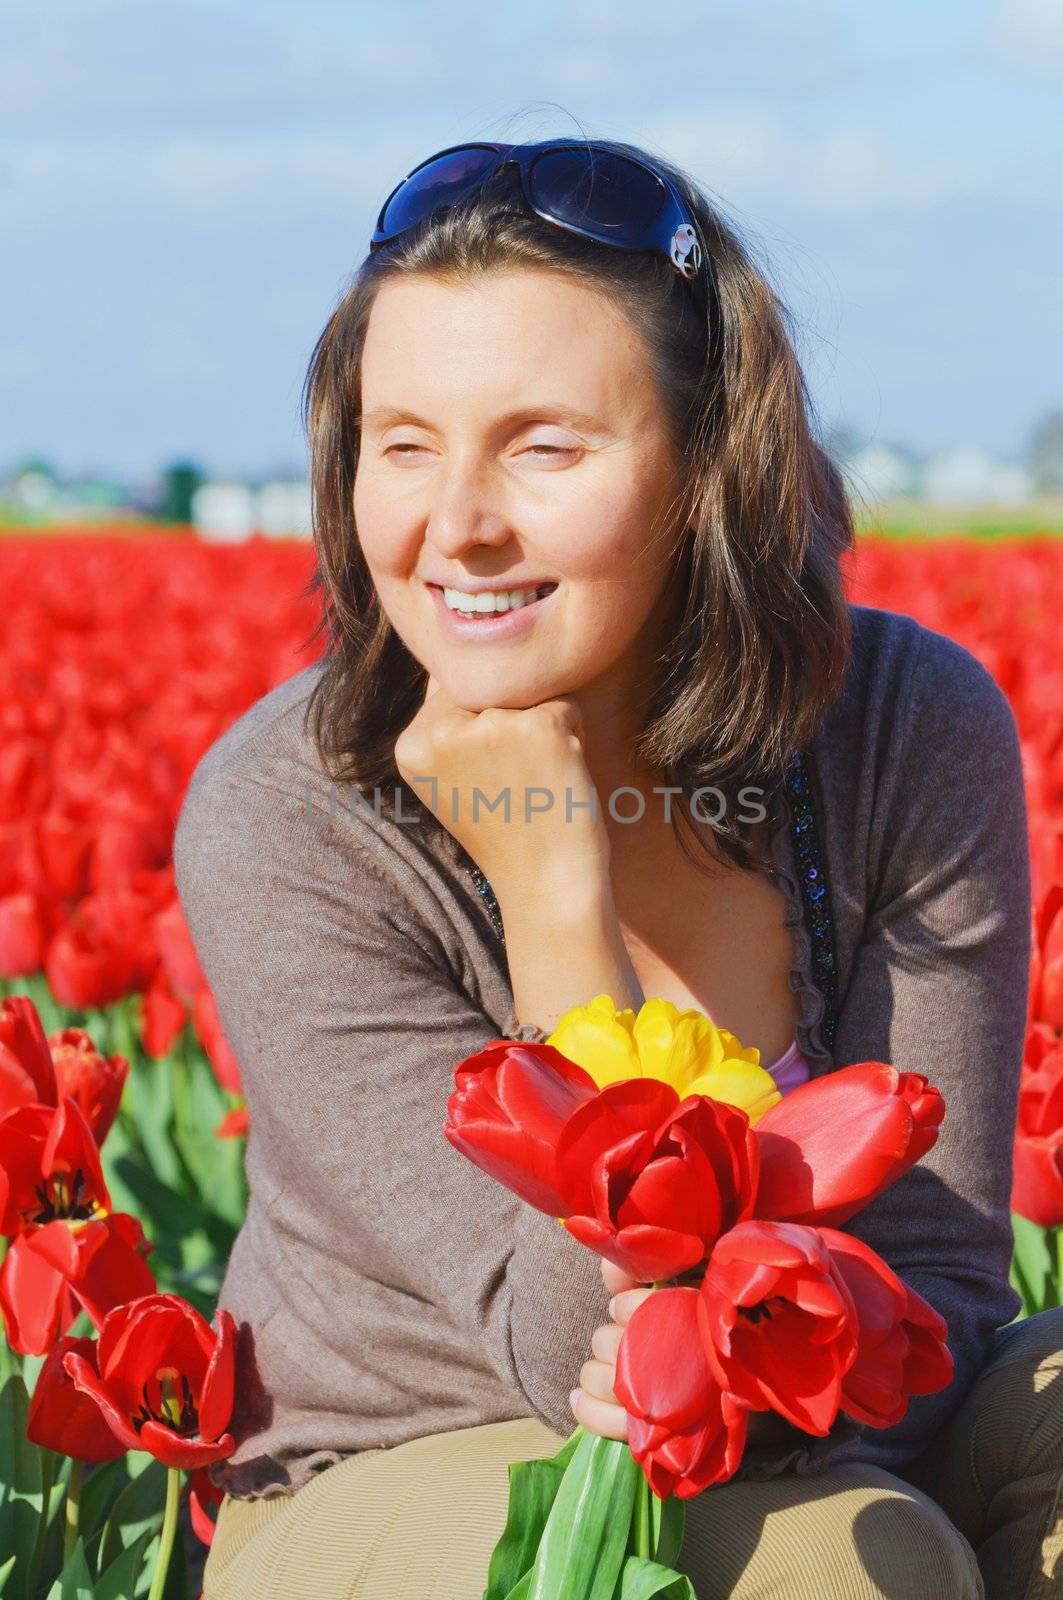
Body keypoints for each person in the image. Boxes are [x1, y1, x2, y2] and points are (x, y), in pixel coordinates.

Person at [174, 135, 1063, 1599]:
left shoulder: (901, 731)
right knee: (853, 1561)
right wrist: (554, 903)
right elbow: (567, 1346)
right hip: (406, 1467)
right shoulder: (291, 814)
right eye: (402, 444)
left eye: (543, 446)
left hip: (835, 1421)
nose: (454, 525)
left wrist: (837, 1401)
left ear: (709, 466)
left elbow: (948, 1296)